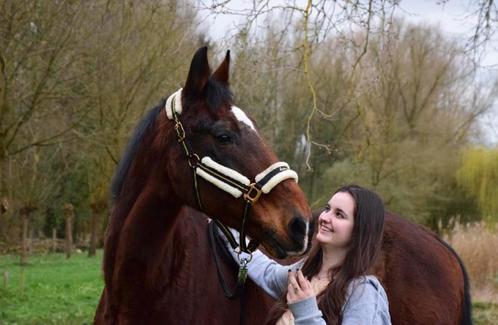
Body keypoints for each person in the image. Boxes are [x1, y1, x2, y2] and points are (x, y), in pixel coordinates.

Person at [221, 184, 391, 325]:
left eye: (339, 214)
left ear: (360, 231)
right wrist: (229, 233)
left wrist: (306, 312)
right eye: (327, 209)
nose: (325, 217)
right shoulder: (305, 272)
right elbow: (267, 273)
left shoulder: (364, 292)